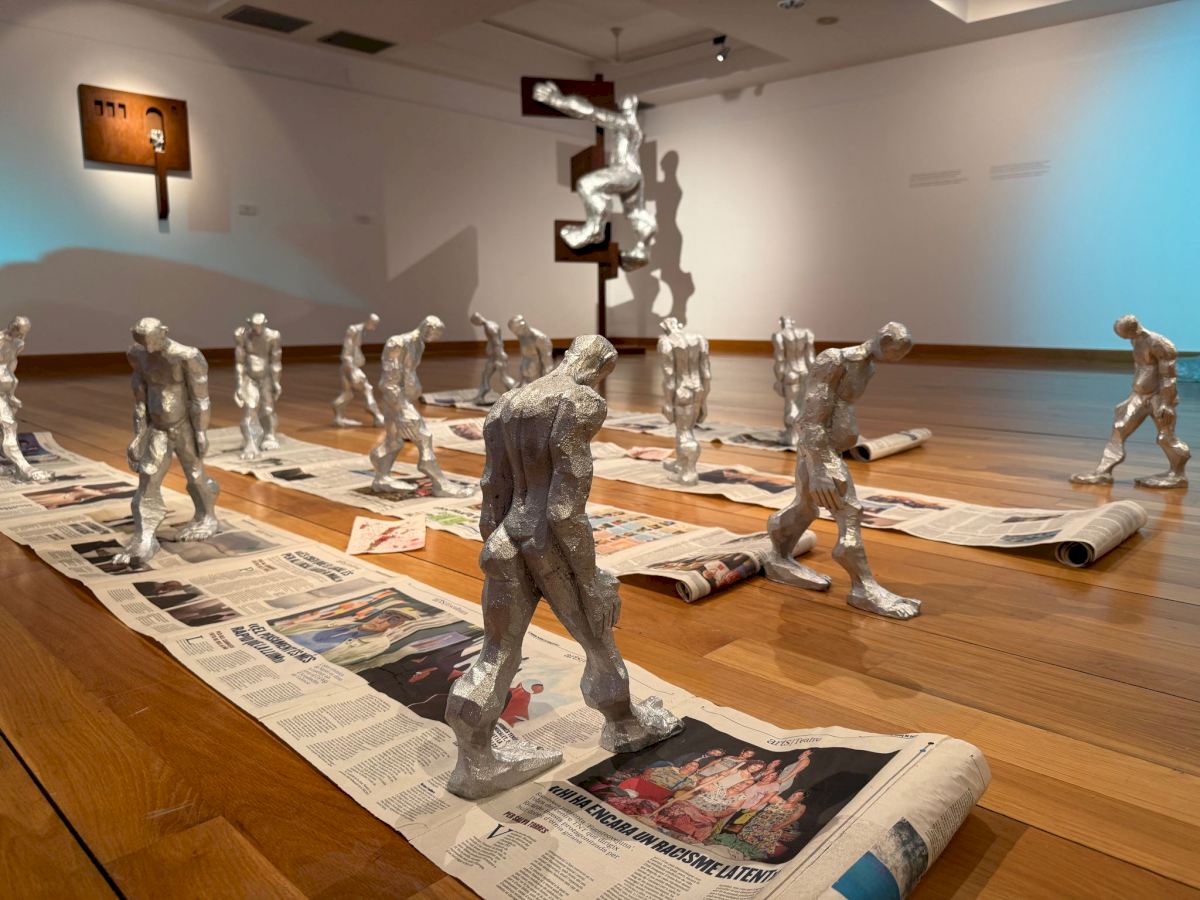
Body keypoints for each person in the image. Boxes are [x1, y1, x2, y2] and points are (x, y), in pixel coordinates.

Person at [444, 335, 682, 800]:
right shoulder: (580, 401)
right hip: (548, 542)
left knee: (496, 652)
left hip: (504, 538)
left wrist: (497, 544)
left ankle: (474, 763)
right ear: (600, 369)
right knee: (598, 641)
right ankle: (625, 724)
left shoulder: (507, 403)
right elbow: (564, 508)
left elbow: (493, 490)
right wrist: (591, 578)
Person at [764, 322, 921, 620]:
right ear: (884, 341)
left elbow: (839, 409)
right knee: (849, 513)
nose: (898, 358)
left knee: (805, 507)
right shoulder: (834, 360)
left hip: (828, 450)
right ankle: (864, 588)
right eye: (897, 351)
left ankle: (778, 559)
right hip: (822, 453)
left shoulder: (868, 367)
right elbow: (810, 419)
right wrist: (820, 467)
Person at [114, 318, 220, 568]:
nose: (149, 348)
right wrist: (139, 434)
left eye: (152, 341)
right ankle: (145, 538)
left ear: (163, 333)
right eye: (143, 342)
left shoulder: (187, 356)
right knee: (148, 479)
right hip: (157, 427)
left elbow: (200, 398)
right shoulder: (137, 355)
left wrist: (201, 432)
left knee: (195, 474)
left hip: (184, 426)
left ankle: (207, 517)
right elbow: (140, 398)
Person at [531, 81, 657, 270]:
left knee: (587, 185)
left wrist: (555, 100)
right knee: (635, 212)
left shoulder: (623, 122)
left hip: (625, 171)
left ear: (624, 108)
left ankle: (595, 229)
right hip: (635, 175)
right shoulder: (636, 129)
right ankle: (642, 250)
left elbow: (590, 112)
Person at [1071, 315, 1190, 488]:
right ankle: (1103, 472)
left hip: (1159, 397)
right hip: (1140, 396)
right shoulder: (1135, 340)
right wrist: (1132, 396)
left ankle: (1177, 475)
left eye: (1126, 335)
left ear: (1135, 329)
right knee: (1119, 428)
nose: (1126, 339)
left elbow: (1168, 377)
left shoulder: (1160, 344)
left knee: (1166, 437)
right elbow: (1141, 369)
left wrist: (1166, 403)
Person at [369, 316, 474, 499]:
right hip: (397, 400)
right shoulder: (398, 343)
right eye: (436, 334)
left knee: (394, 441)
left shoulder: (419, 345)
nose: (436, 338)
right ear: (429, 328)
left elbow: (408, 373)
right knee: (424, 437)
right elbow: (389, 381)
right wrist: (401, 407)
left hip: (403, 399)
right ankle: (440, 484)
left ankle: (381, 478)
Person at [658, 317, 711, 485]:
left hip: (681, 392)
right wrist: (704, 400)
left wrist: (667, 402)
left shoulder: (666, 342)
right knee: (685, 427)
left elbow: (669, 376)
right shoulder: (699, 340)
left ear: (665, 328)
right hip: (698, 389)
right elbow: (706, 374)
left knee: (684, 431)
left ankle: (689, 473)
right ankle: (681, 463)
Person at [0, 316, 49, 483]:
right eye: (20, 332)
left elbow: (10, 367)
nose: (22, 337)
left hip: (4, 391)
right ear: (13, 327)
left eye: (24, 334)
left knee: (7, 425)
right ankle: (24, 468)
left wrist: (10, 393)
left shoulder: (17, 344)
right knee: (8, 425)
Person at [233, 313, 283, 460]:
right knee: (250, 409)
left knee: (268, 409)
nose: (257, 329)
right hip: (249, 377)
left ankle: (269, 435)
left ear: (265, 323)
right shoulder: (243, 336)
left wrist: (276, 382)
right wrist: (239, 384)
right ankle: (250, 442)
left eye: (260, 325)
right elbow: (239, 362)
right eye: (254, 326)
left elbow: (276, 361)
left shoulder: (273, 336)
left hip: (266, 376)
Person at [332, 313, 385, 428]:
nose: (374, 327)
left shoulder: (359, 331)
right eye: (374, 324)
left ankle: (338, 417)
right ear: (369, 321)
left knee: (347, 394)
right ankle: (378, 417)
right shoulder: (353, 330)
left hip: (348, 367)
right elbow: (346, 352)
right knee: (367, 389)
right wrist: (352, 370)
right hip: (351, 367)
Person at [773, 316, 815, 449]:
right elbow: (810, 357)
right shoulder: (806, 333)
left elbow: (780, 359)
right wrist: (814, 376)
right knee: (802, 404)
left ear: (781, 323)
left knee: (791, 404)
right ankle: (801, 434)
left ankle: (791, 437)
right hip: (804, 372)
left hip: (790, 373)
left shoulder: (779, 336)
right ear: (793, 322)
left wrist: (779, 380)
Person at [470, 312, 517, 403]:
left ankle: (516, 393)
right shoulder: (491, 324)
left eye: (475, 322)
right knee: (486, 375)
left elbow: (497, 342)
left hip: (497, 356)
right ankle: (481, 396)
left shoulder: (489, 327)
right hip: (495, 356)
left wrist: (499, 356)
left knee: (504, 377)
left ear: (477, 320)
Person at [507, 314, 553, 386]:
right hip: (526, 372)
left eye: (516, 330)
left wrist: (546, 383)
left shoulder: (540, 338)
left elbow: (548, 363)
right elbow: (525, 355)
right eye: (514, 331)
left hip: (536, 374)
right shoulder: (522, 336)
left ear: (523, 325)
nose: (515, 333)